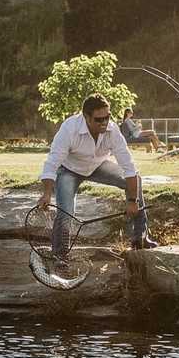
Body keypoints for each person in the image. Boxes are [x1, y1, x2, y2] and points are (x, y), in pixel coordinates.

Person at [37, 93, 158, 251]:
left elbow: (129, 167)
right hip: (69, 169)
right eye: (99, 119)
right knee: (65, 212)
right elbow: (52, 162)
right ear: (86, 117)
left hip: (97, 165)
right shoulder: (69, 128)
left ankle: (140, 238)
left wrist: (133, 201)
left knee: (136, 180)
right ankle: (60, 255)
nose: (104, 122)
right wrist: (47, 193)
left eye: (107, 117)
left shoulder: (113, 130)